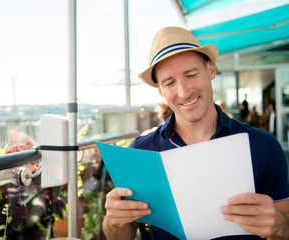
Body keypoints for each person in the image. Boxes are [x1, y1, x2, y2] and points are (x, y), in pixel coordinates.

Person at [102, 27, 289, 239]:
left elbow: (285, 227)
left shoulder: (263, 145)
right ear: (160, 90)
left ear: (210, 70)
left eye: (191, 75)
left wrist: (280, 226)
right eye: (169, 82)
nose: (183, 91)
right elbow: (120, 236)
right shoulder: (141, 151)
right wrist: (114, 220)